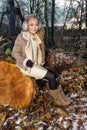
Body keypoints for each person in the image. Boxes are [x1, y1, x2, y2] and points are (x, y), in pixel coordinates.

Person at [12, 14, 72, 106]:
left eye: (36, 24)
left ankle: (62, 97)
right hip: (26, 66)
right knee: (51, 76)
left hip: (35, 65)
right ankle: (58, 101)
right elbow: (15, 53)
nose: (34, 27)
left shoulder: (37, 36)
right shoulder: (22, 37)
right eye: (31, 25)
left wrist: (42, 60)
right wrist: (25, 61)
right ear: (26, 25)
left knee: (55, 76)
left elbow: (40, 52)